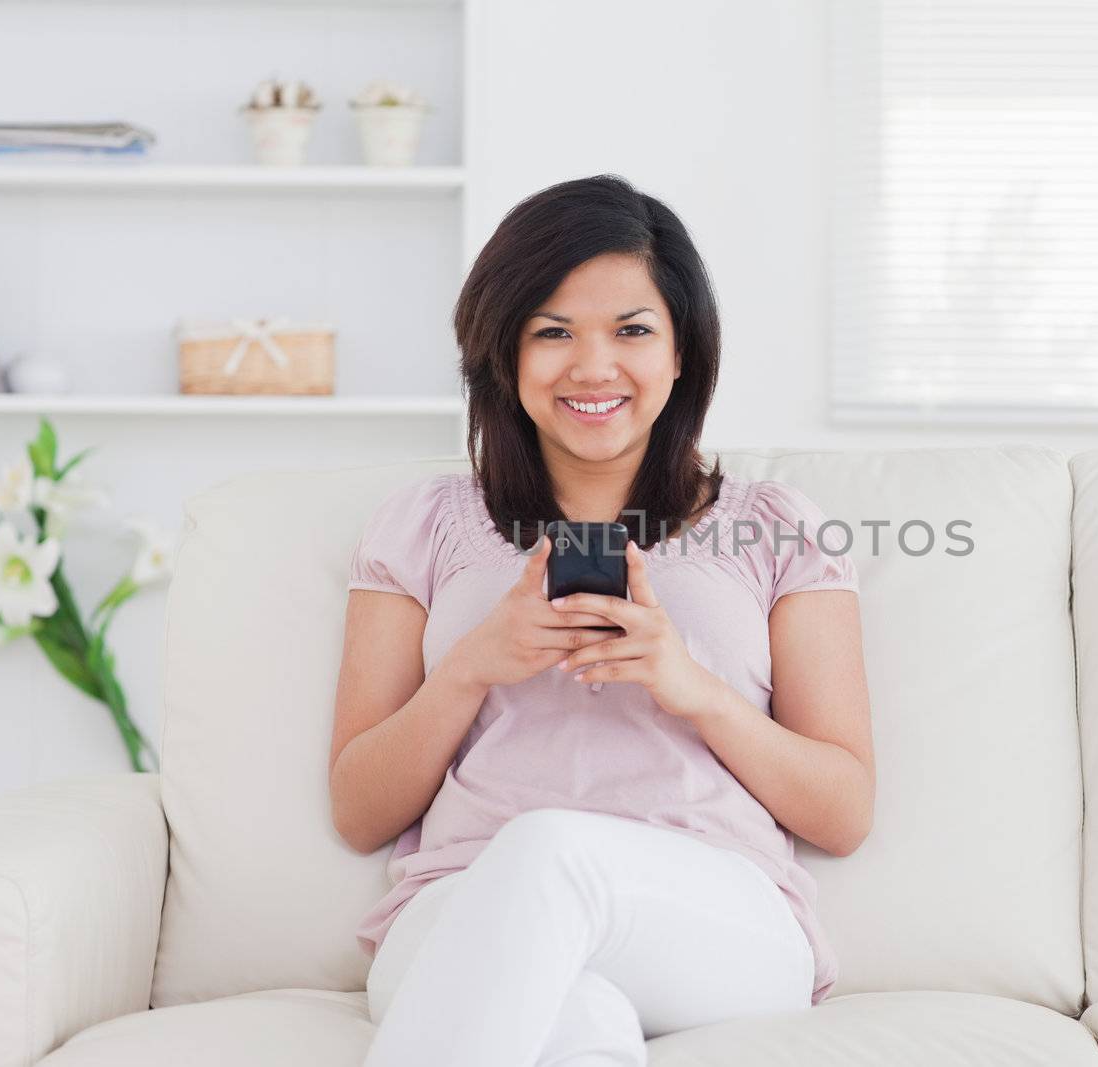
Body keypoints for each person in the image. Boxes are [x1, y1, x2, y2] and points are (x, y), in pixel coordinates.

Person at [331, 173, 874, 1067]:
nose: (593, 366)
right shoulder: (422, 524)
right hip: (459, 906)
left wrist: (690, 688)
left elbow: (844, 810)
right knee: (580, 1024)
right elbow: (359, 809)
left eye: (631, 330)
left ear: (681, 354)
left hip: (715, 915)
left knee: (551, 850)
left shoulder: (778, 528)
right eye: (553, 332)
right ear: (502, 353)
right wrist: (472, 667)